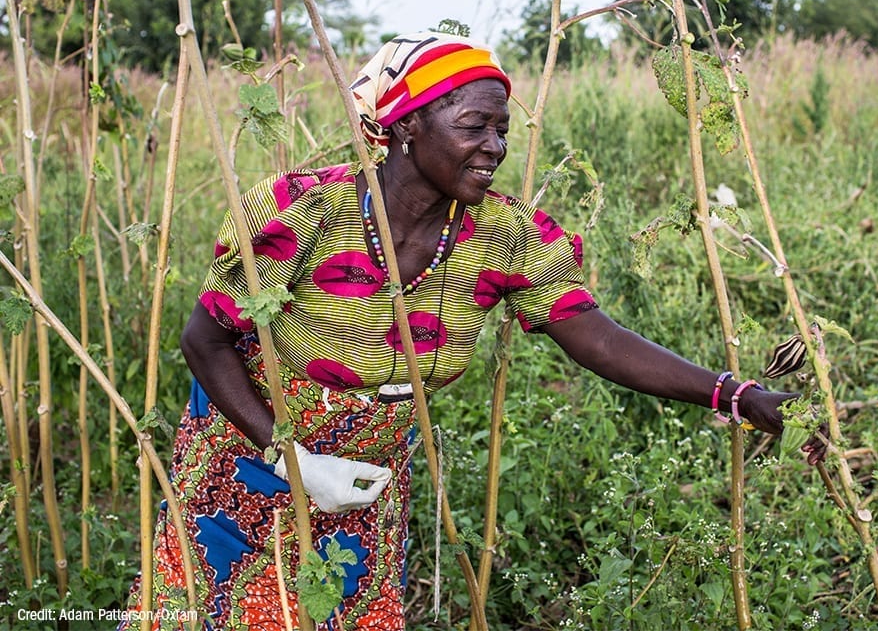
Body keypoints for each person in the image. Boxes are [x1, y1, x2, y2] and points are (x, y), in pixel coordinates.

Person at [121, 31, 824, 630]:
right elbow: (204, 340)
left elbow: (597, 338)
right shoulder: (305, 211)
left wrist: (736, 395)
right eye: (473, 126)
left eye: (502, 131)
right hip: (250, 457)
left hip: (366, 479)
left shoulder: (502, 234)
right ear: (405, 127)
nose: (493, 146)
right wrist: (291, 458)